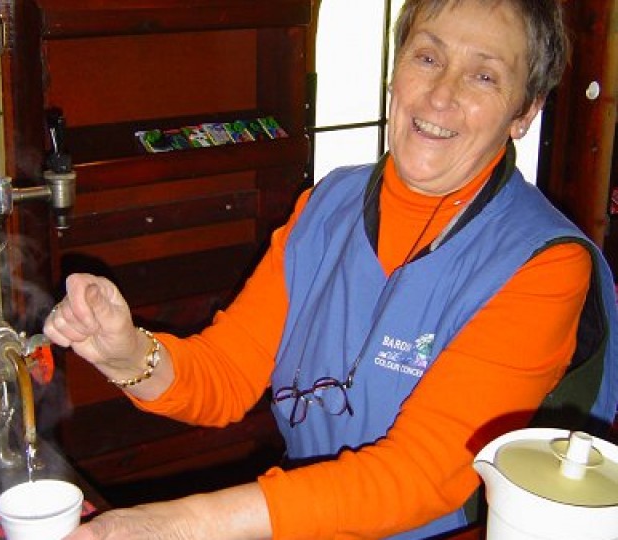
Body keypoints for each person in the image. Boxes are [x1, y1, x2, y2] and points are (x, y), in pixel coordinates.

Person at [43, 0, 618, 538]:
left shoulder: (545, 265)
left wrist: (181, 523)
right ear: (398, 69)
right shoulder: (328, 207)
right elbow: (226, 374)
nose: (440, 94)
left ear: (525, 111)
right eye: (428, 56)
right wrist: (126, 353)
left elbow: (426, 475)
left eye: (484, 75)